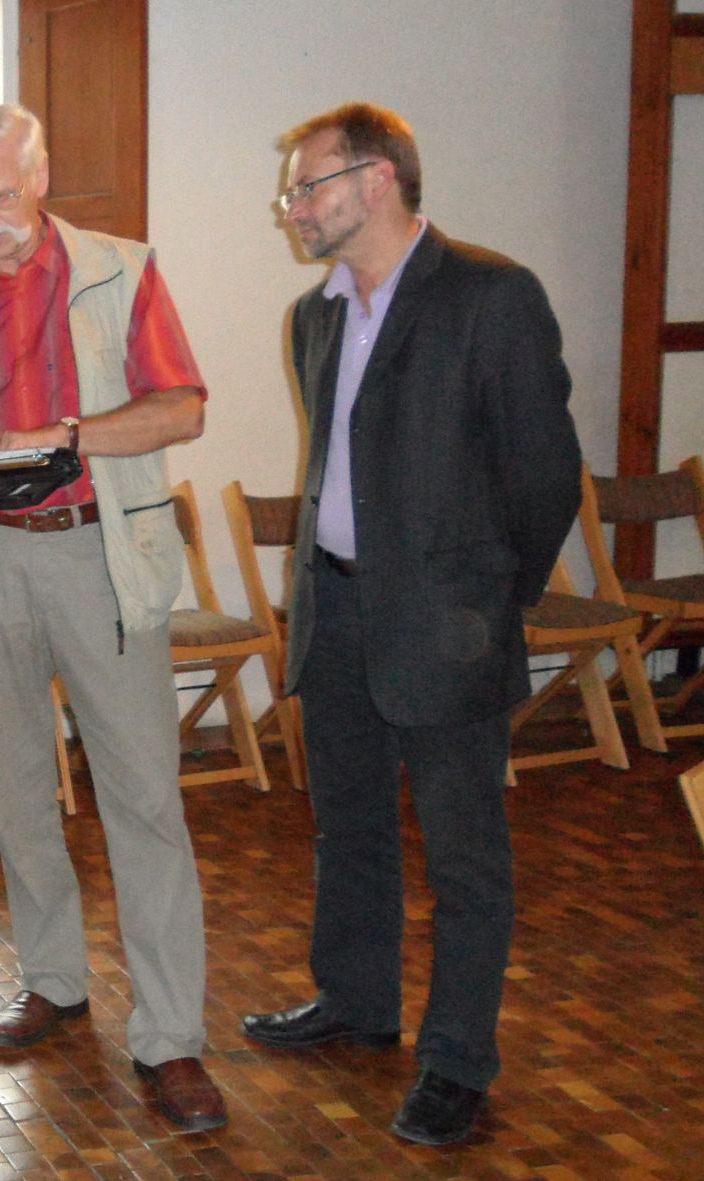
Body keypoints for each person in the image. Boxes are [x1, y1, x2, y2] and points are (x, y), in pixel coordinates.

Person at [242, 102, 580, 1147]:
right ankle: (357, 997)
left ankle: (456, 1059)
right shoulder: (316, 316)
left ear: (378, 179)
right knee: (349, 824)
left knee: (466, 855)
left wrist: (490, 596)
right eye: (292, 190)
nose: (291, 206)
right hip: (336, 607)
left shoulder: (490, 296)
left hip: (448, 625)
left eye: (307, 185)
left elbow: (546, 477)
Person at [0, 104, 222, 1134]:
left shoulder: (123, 270)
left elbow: (183, 408)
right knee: (17, 794)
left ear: (41, 179)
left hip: (100, 553)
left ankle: (170, 1037)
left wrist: (72, 436)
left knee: (144, 802)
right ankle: (55, 979)